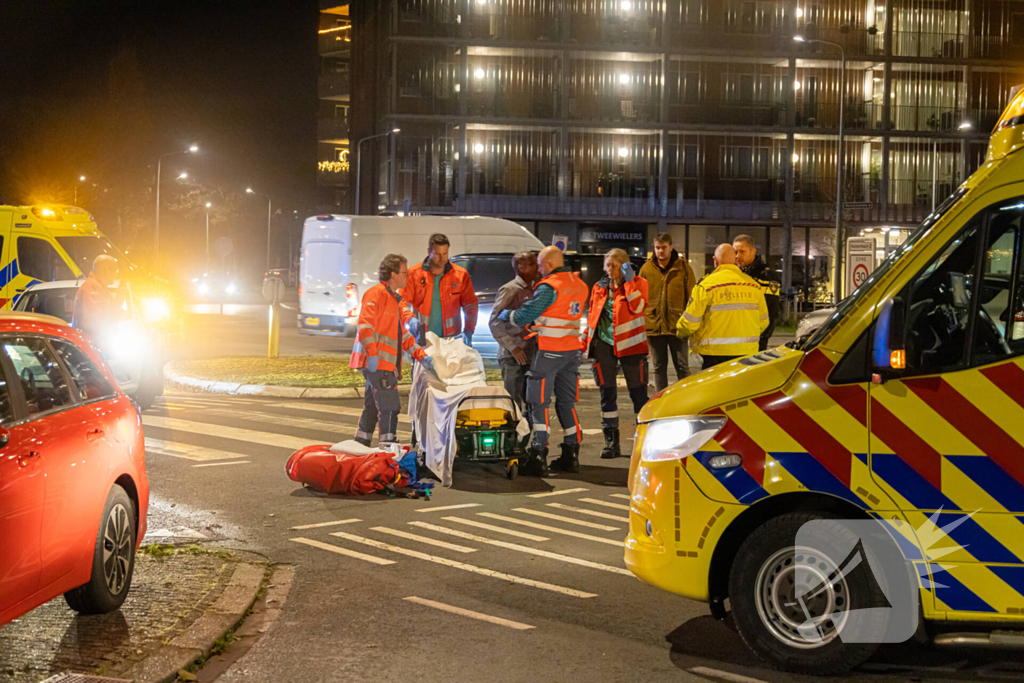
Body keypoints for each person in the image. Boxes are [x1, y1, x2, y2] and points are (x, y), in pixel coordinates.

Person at [496, 246, 588, 475]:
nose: (538, 268)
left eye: (539, 264)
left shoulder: (549, 286)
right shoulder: (580, 284)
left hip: (549, 352)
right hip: (572, 352)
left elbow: (524, 314)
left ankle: (538, 455)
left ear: (547, 264)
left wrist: (506, 314)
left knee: (538, 403)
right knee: (566, 404)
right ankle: (571, 453)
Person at [351, 254, 434, 447]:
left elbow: (402, 337)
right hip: (376, 362)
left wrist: (422, 356)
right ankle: (387, 449)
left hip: (382, 363)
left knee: (373, 406)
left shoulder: (395, 300)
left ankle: (360, 443)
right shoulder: (376, 294)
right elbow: (364, 327)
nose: (406, 277)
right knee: (389, 407)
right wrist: (372, 354)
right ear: (393, 274)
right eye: (404, 273)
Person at [581, 249, 649, 459]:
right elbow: (592, 315)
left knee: (638, 395)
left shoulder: (639, 283)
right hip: (603, 344)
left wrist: (628, 281)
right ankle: (611, 442)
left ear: (625, 266)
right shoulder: (599, 287)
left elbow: (638, 306)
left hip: (631, 346)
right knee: (607, 394)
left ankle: (644, 442)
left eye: (615, 266)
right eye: (608, 266)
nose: (610, 270)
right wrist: (585, 338)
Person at [677, 244, 768, 370]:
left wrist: (679, 331)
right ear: (735, 260)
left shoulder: (706, 285)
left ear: (715, 260)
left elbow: (690, 322)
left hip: (714, 354)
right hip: (747, 352)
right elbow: (763, 322)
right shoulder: (754, 286)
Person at [639, 232, 696, 392]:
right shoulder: (646, 269)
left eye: (663, 247)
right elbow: (640, 298)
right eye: (657, 248)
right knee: (658, 367)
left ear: (671, 247)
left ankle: (686, 399)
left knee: (682, 367)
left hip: (678, 326)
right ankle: (661, 401)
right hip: (654, 325)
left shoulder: (684, 268)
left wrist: (689, 323)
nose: (660, 251)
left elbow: (692, 297)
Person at [399, 233, 479, 348]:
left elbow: (471, 305)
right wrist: (410, 319)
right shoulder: (414, 274)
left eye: (445, 254)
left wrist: (469, 330)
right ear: (429, 251)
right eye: (437, 254)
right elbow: (402, 303)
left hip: (452, 339)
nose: (442, 259)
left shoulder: (460, 275)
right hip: (423, 338)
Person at [489, 251, 538, 416]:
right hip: (513, 357)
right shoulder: (510, 289)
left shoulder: (536, 289)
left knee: (532, 401)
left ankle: (526, 438)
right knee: (513, 403)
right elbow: (494, 321)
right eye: (532, 264)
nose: (537, 267)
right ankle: (513, 439)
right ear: (520, 267)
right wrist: (513, 348)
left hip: (531, 354)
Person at [733, 234, 780, 351]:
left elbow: (772, 312)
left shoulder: (766, 276)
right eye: (735, 252)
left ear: (752, 251)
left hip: (755, 339)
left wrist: (763, 337)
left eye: (742, 252)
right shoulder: (734, 273)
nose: (737, 256)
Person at [72, 254, 123, 338]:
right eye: (115, 270)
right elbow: (94, 319)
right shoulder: (92, 287)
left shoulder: (97, 286)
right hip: (96, 343)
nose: (116, 274)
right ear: (106, 270)